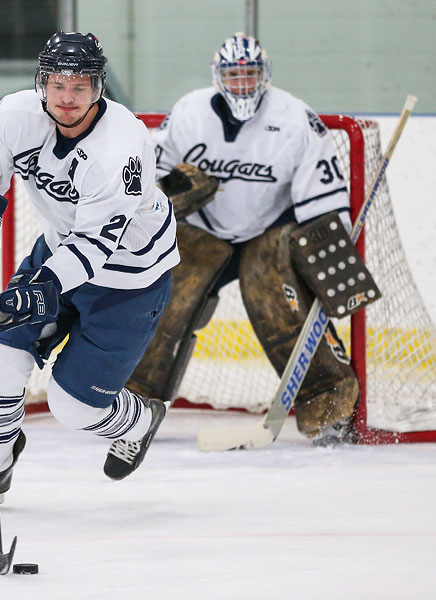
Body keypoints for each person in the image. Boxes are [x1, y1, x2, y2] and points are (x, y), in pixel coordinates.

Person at [0, 32, 178, 510]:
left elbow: (99, 243)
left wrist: (38, 288)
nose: (66, 98)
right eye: (58, 84)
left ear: (98, 88)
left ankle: (139, 419)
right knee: (0, 354)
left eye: (80, 87)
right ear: (42, 82)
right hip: (60, 249)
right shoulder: (18, 115)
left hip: (129, 279)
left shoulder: (120, 148)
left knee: (73, 407)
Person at [125, 33, 361, 443]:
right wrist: (168, 192)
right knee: (162, 302)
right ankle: (136, 399)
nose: (242, 84)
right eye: (234, 76)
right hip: (202, 231)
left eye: (250, 74)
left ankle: (328, 398)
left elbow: (323, 196)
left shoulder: (294, 117)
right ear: (219, 77)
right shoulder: (189, 112)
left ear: (265, 75)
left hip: (268, 232)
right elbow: (148, 177)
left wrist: (329, 256)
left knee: (278, 304)